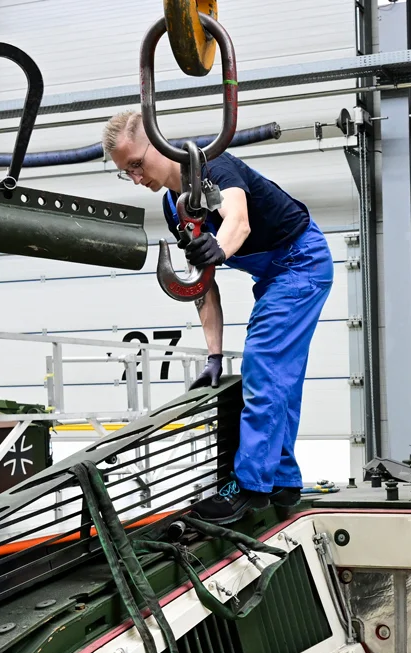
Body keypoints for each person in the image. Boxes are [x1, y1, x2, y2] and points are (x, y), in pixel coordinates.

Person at [102, 110, 333, 522]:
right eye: (126, 172)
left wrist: (220, 248)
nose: (136, 178)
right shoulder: (174, 206)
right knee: (280, 377)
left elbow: (238, 223)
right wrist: (213, 355)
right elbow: (202, 283)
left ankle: (249, 486)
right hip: (274, 274)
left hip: (301, 262)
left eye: (136, 164)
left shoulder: (212, 167)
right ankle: (282, 480)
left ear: (157, 142)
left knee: (263, 364)